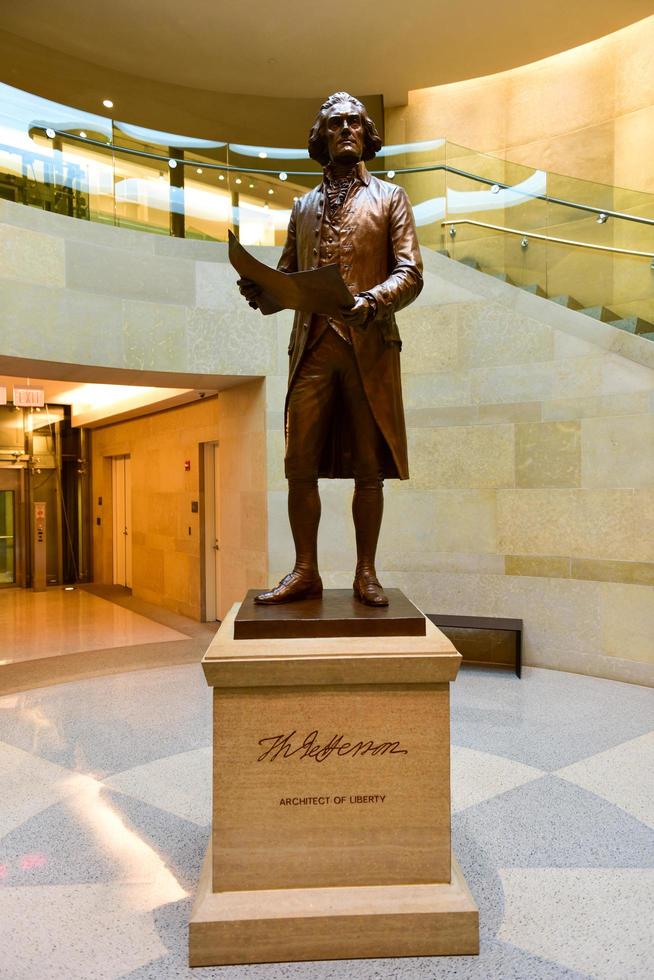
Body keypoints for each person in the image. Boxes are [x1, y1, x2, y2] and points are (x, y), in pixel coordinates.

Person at [238, 92, 423, 606]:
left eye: (355, 123)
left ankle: (367, 572)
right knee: (299, 463)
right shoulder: (302, 206)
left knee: (370, 466)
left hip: (368, 347)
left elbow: (411, 274)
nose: (346, 130)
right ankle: (305, 571)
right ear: (321, 137)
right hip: (313, 348)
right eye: (336, 124)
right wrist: (262, 291)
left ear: (367, 135)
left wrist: (372, 300)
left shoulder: (390, 198)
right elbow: (288, 278)